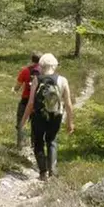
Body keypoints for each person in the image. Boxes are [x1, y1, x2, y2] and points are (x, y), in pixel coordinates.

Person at [20, 53, 74, 181]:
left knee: (38, 142)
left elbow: (31, 103)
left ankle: (42, 172)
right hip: (56, 115)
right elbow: (68, 103)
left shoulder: (37, 80)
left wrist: (23, 120)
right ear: (54, 65)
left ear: (42, 65)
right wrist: (70, 122)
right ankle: (53, 171)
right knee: (52, 141)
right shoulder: (63, 80)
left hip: (39, 115)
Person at [13, 52, 41, 150]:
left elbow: (18, 86)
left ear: (31, 59)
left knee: (21, 121)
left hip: (26, 100)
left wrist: (14, 90)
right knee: (36, 123)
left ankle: (20, 144)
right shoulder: (43, 72)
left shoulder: (25, 71)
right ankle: (35, 145)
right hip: (38, 101)